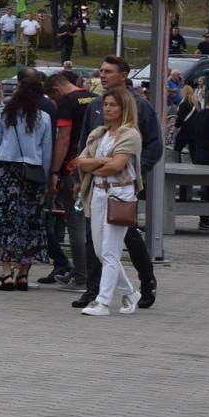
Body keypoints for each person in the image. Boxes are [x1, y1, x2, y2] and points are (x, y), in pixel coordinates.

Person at [75, 55, 160, 311]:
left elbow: (152, 145)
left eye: (108, 71)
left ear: (123, 74)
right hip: (97, 188)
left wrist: (133, 168)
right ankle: (100, 288)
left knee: (127, 240)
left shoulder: (140, 107)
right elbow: (83, 150)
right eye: (100, 70)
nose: (102, 75)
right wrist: (87, 173)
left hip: (121, 189)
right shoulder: (95, 106)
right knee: (99, 245)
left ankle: (141, 284)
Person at [75, 88, 144, 316]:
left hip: (119, 194)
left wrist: (95, 166)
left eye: (113, 105)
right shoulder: (98, 134)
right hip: (97, 193)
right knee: (99, 250)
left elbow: (117, 165)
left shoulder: (130, 134)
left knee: (110, 250)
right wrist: (102, 162)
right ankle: (130, 292)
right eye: (106, 105)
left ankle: (102, 302)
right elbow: (81, 162)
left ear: (124, 108)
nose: (108, 109)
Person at [0, 75, 53, 290]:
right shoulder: (43, 118)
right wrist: (44, 177)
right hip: (33, 175)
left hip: (8, 172)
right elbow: (47, 152)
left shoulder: (6, 114)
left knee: (4, 221)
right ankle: (23, 274)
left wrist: (4, 157)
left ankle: (6, 274)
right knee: (30, 223)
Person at [41, 71, 94, 288]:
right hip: (92, 166)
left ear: (56, 91)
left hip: (71, 169)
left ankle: (81, 277)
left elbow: (63, 138)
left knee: (75, 225)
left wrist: (54, 171)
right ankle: (89, 272)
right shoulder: (93, 98)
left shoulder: (65, 102)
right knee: (89, 225)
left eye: (52, 98)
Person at [175, 88, 209, 230]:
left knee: (206, 187)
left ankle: (205, 218)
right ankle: (206, 218)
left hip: (199, 156)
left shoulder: (200, 115)